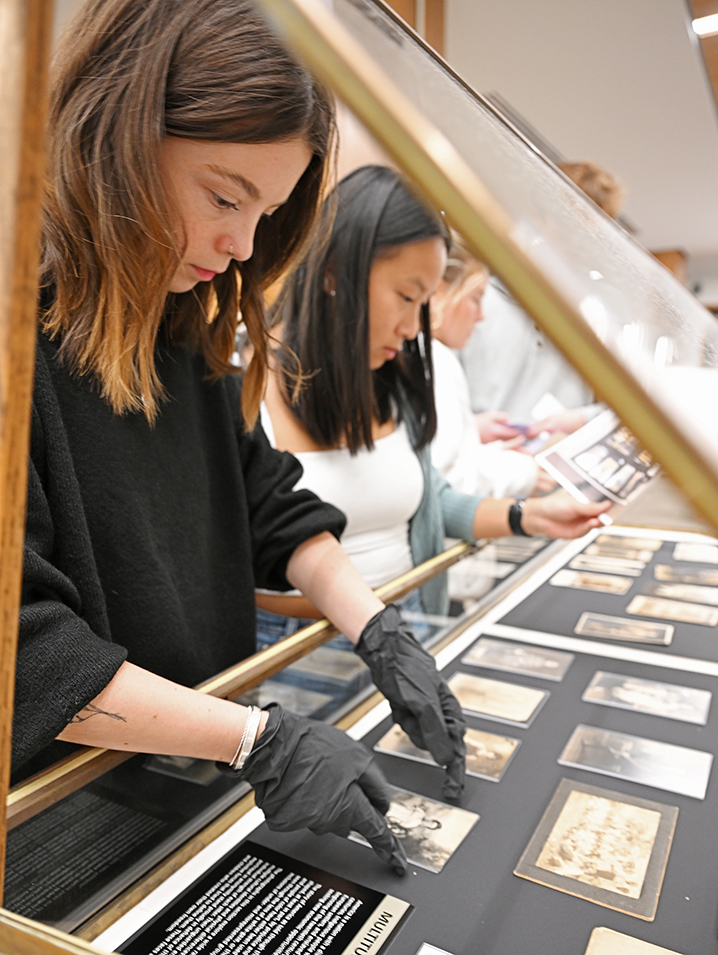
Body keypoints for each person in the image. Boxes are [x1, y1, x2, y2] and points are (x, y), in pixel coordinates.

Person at [14, 0, 469, 874]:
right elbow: (29, 654)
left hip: (180, 784)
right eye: (225, 196)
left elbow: (265, 498)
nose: (239, 244)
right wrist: (259, 740)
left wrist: (376, 625)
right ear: (117, 131)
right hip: (59, 820)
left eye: (266, 212)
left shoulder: (178, 325)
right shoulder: (15, 332)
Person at [258, 165, 609, 634]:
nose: (411, 330)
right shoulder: (243, 386)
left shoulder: (391, 375)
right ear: (334, 272)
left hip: (410, 623)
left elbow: (430, 501)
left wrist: (529, 516)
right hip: (294, 652)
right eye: (405, 296)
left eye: (423, 303)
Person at [459, 160, 626, 440]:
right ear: (539, 216)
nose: (585, 240)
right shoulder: (479, 294)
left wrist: (582, 418)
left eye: (596, 228)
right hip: (479, 469)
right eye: (574, 226)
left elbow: (624, 407)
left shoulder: (598, 313)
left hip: (554, 471)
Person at [429, 231, 554, 499]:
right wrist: (526, 472)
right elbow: (445, 479)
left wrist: (470, 432)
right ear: (440, 291)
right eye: (475, 298)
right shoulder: (437, 360)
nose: (481, 316)